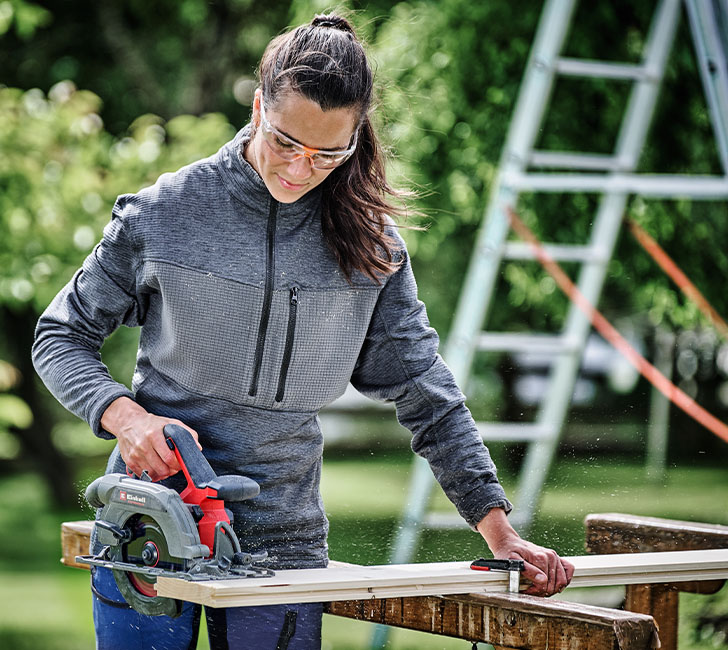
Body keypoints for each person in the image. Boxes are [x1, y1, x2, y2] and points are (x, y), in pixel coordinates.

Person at [33, 13, 574, 650]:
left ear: (357, 135)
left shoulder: (370, 247)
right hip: (150, 521)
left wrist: (496, 525)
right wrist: (127, 419)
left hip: (283, 540)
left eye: (328, 154)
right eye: (285, 142)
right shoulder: (166, 213)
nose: (300, 168)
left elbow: (428, 392)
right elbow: (60, 334)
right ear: (258, 106)